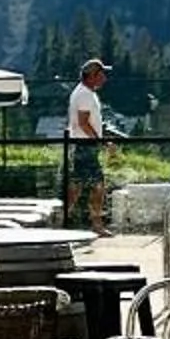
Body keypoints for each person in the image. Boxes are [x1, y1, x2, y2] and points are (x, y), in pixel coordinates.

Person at [65, 58, 108, 229]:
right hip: (85, 146)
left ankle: (65, 218)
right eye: (101, 74)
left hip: (84, 145)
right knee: (97, 185)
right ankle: (95, 223)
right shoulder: (84, 94)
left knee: (78, 185)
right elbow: (83, 122)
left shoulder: (85, 93)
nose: (104, 78)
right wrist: (100, 141)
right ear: (92, 76)